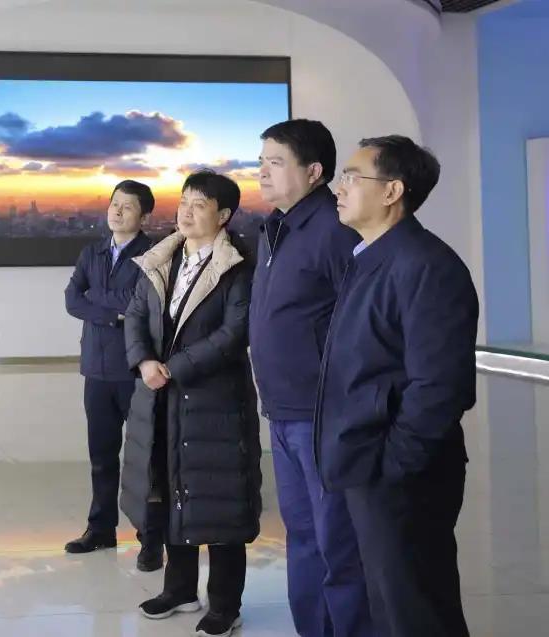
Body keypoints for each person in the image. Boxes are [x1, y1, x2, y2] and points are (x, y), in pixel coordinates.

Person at [319, 136, 477, 636]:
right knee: (390, 604)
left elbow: (440, 387)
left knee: (416, 611)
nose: (340, 188)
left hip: (401, 474)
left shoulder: (425, 266)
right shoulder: (372, 257)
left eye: (352, 177)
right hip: (370, 462)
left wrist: (395, 466)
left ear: (392, 191)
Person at [121, 171, 261, 637]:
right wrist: (144, 361)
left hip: (213, 403)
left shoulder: (237, 265)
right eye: (184, 201)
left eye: (199, 204)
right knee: (168, 491)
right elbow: (135, 315)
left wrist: (173, 368)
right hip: (160, 397)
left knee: (219, 499)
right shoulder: (162, 258)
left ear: (223, 215)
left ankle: (225, 604)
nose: (186, 211)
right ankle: (179, 589)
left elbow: (234, 333)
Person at [248, 119, 374, 637]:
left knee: (337, 544)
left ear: (314, 171)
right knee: (302, 537)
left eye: (275, 162)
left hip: (323, 415)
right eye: (261, 161)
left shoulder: (334, 230)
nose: (262, 172)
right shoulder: (275, 227)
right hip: (282, 410)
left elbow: (362, 325)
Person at [64, 180, 164, 571]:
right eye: (114, 204)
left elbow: (140, 303)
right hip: (97, 369)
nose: (118, 212)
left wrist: (98, 298)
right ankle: (101, 529)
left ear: (144, 216)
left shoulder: (152, 255)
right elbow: (72, 299)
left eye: (128, 206)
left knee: (144, 459)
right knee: (102, 456)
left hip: (136, 370)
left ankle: (149, 538)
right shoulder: (93, 252)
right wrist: (112, 314)